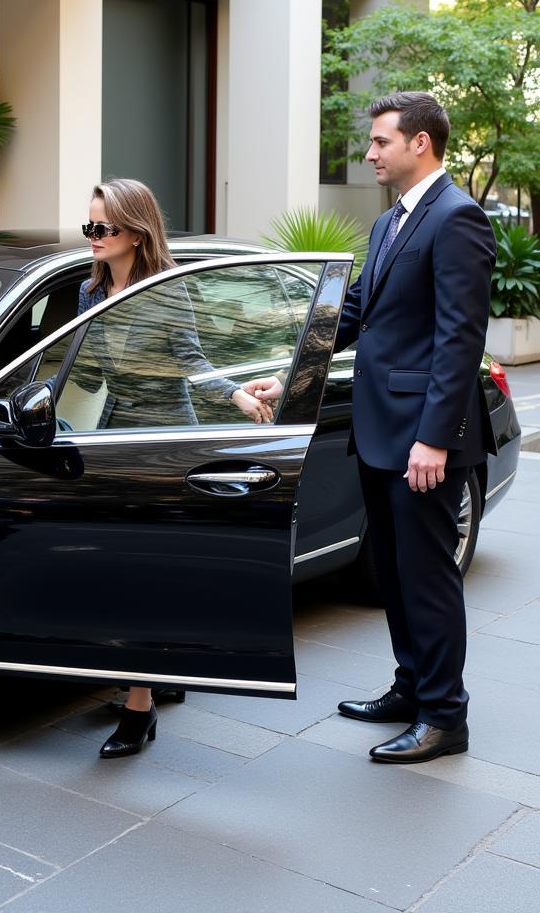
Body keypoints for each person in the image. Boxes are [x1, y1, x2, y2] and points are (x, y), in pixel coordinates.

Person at [254, 92, 496, 763]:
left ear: (421, 143)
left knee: (427, 577)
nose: (369, 153)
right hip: (380, 430)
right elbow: (354, 313)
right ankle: (411, 687)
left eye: (381, 141)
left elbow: (458, 339)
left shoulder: (458, 218)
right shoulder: (390, 222)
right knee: (390, 571)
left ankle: (446, 717)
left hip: (421, 439)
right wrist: (292, 377)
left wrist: (435, 437)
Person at [75, 178, 273, 758]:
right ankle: (156, 672)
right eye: (88, 227)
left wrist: (237, 396)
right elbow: (86, 373)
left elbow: (191, 361)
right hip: (114, 433)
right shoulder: (90, 293)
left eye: (102, 229)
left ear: (135, 232)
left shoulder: (166, 291)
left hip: (164, 436)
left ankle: (140, 710)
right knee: (115, 567)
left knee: (141, 573)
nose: (93, 238)